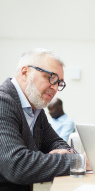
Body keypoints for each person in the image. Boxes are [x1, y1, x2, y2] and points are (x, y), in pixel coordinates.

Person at [0, 48, 74, 191]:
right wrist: (77, 161)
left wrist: (65, 154)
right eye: (50, 77)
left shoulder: (35, 108)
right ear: (24, 73)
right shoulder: (3, 102)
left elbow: (56, 143)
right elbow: (18, 165)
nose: (55, 88)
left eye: (59, 82)